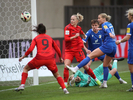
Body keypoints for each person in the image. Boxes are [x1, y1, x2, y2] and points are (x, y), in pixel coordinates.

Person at [15, 23, 69, 94]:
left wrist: (23, 57)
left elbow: (31, 49)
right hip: (50, 59)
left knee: (25, 69)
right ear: (45, 31)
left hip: (39, 59)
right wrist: (60, 58)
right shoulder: (49, 38)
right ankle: (65, 89)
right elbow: (57, 49)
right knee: (57, 75)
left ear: (38, 32)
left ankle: (22, 85)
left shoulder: (36, 38)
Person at [66, 13, 116, 88]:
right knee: (106, 65)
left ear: (103, 19)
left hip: (106, 46)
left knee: (89, 56)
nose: (98, 19)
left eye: (99, 18)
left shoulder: (104, 24)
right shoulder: (110, 24)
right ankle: (105, 83)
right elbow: (106, 28)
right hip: (114, 46)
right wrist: (103, 30)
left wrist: (109, 34)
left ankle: (75, 68)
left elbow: (106, 28)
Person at [83, 19, 127, 84]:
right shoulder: (89, 32)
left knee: (109, 65)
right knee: (87, 65)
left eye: (95, 25)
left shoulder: (101, 32)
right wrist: (86, 50)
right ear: (91, 26)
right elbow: (82, 42)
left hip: (101, 51)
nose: (94, 27)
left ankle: (120, 79)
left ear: (98, 25)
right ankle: (86, 79)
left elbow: (107, 38)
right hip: (92, 52)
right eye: (93, 25)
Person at [63, 13, 101, 87]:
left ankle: (96, 80)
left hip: (78, 50)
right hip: (69, 50)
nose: (71, 21)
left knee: (86, 67)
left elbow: (81, 33)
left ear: (77, 21)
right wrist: (74, 36)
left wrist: (83, 35)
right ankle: (64, 85)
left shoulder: (78, 28)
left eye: (73, 19)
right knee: (66, 66)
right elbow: (66, 39)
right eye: (71, 19)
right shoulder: (67, 28)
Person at [116, 8, 133, 92]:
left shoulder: (130, 25)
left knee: (131, 69)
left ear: (130, 16)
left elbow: (127, 37)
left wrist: (119, 41)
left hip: (132, 49)